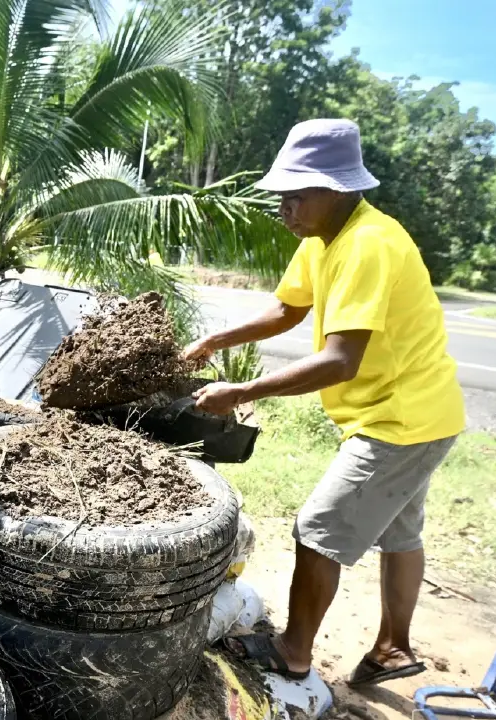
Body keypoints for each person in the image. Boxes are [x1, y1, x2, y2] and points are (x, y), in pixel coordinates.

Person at [183, 118, 465, 686]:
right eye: (281, 197)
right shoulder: (324, 238)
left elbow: (341, 361)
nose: (284, 210)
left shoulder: (368, 244)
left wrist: (243, 391)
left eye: (295, 197)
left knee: (317, 528)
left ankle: (294, 651)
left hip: (399, 419)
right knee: (402, 532)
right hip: (422, 411)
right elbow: (288, 309)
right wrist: (217, 339)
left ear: (337, 188)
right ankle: (393, 649)